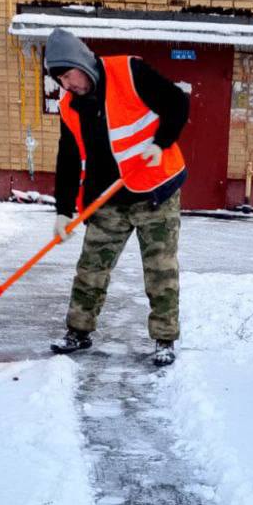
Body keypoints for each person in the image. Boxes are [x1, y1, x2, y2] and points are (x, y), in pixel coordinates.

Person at [44, 28, 190, 366]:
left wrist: (161, 142)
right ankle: (78, 332)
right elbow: (68, 158)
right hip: (108, 199)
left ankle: (165, 339)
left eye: (68, 76)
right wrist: (63, 210)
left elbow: (177, 102)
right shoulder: (70, 106)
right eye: (60, 81)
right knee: (90, 268)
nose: (67, 85)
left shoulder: (129, 72)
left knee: (160, 271)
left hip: (155, 190)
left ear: (82, 63)